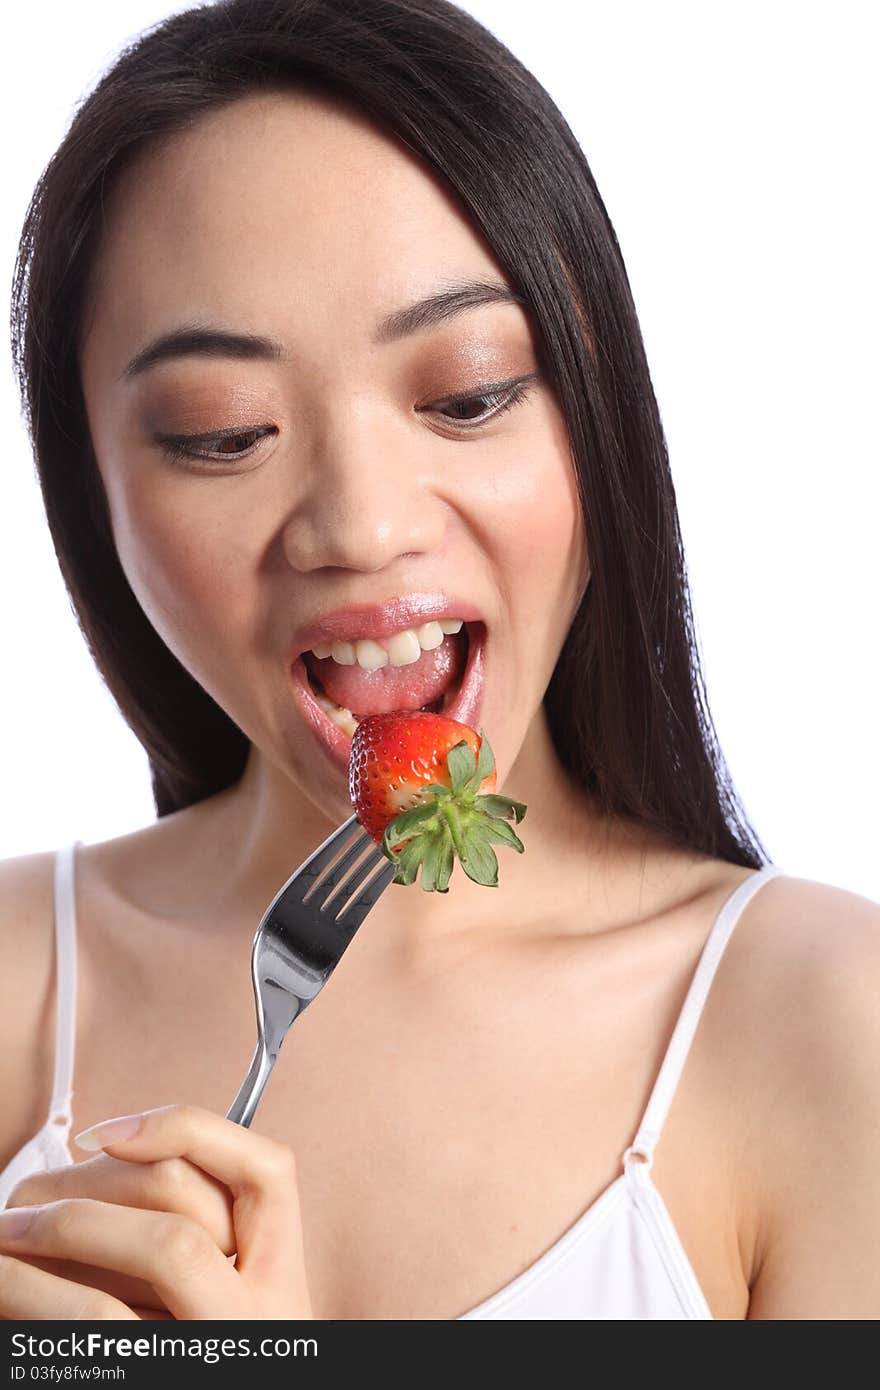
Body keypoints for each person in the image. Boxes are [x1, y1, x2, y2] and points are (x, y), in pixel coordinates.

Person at [0, 0, 877, 1321]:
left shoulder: (826, 1023)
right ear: (94, 498)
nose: (361, 523)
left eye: (468, 394)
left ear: (603, 411)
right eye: (223, 432)